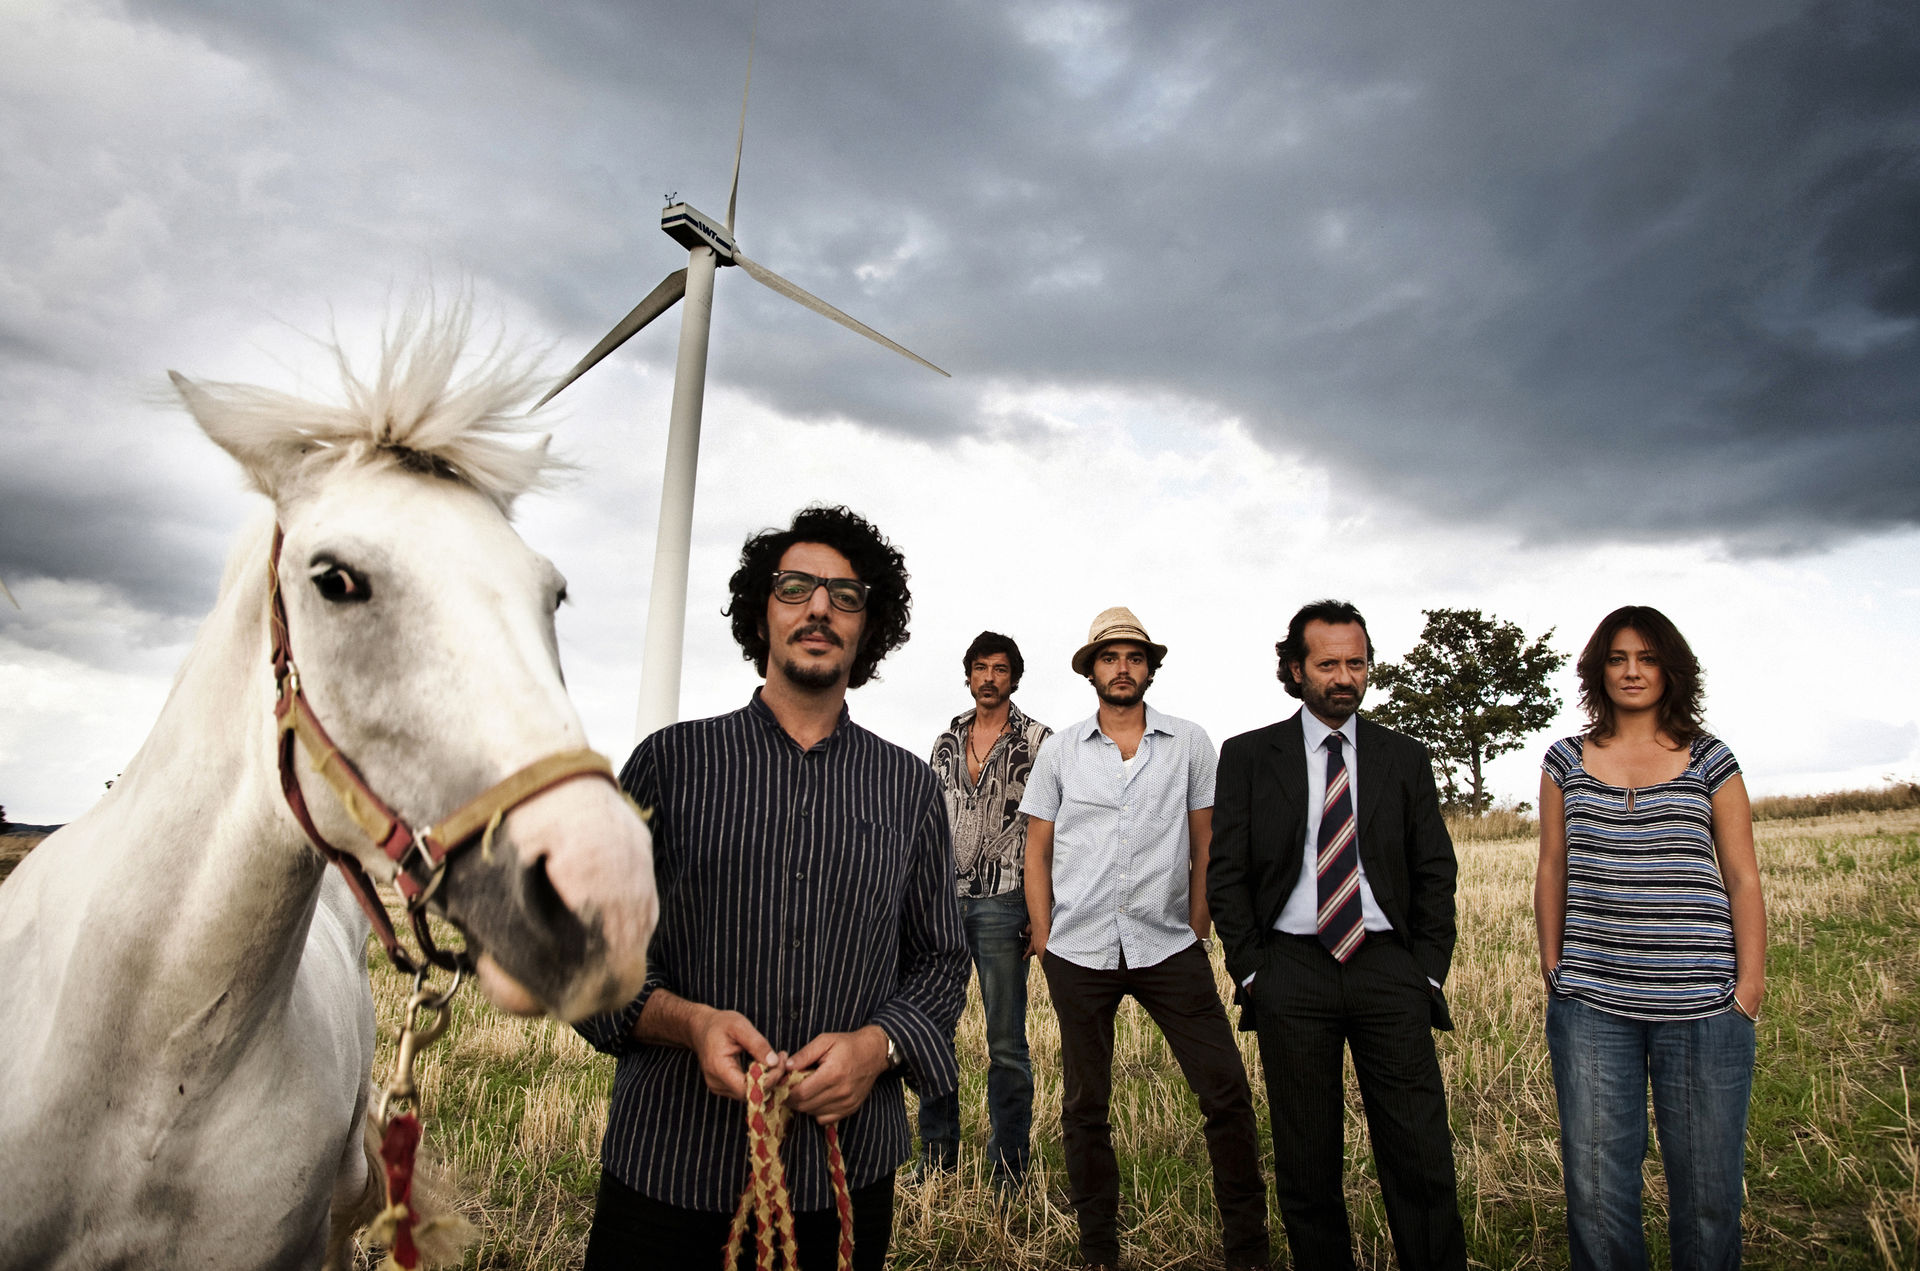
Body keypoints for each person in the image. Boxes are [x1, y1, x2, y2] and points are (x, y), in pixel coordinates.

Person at [575, 505, 969, 1271]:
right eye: (795, 587)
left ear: (868, 627)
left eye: (845, 596)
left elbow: (941, 961)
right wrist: (687, 1023)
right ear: (762, 614)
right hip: (667, 1169)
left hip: (844, 1175)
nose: (819, 607)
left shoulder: (911, 788)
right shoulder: (666, 763)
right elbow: (590, 956)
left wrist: (877, 1046)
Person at [1208, 599, 1468, 1271]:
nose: (1344, 677)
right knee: (1306, 1162)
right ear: (1296, 670)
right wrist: (1254, 971)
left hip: (1388, 969)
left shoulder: (1404, 757)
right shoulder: (1247, 756)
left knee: (1420, 1154)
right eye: (1328, 664)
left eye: (1356, 663)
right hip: (1291, 971)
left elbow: (1435, 870)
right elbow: (1226, 874)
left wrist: (1425, 971)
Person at [1023, 606, 1270, 1271]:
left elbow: (1206, 841)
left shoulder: (1189, 741)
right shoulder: (1061, 750)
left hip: (1168, 946)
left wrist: (1198, 925)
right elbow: (1037, 849)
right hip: (1079, 950)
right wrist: (1045, 939)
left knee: (1225, 1091)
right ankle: (1099, 1251)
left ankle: (1248, 1250)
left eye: (1134, 657)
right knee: (1085, 1106)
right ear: (1092, 670)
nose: (1122, 668)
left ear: (1149, 668)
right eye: (1110, 657)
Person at [1534, 605, 1765, 1271]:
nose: (1632, 671)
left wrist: (1747, 990)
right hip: (1592, 1007)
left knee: (1708, 1196)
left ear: (1671, 670)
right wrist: (1555, 969)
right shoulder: (1565, 760)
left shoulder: (1711, 758)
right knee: (1597, 1194)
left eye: (1647, 658)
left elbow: (1743, 876)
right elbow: (1552, 867)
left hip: (1705, 1008)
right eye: (1617, 658)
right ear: (1598, 670)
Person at [920, 631, 1053, 1184]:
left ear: (1014, 678)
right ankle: (937, 1159)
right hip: (944, 904)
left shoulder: (1040, 742)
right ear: (969, 675)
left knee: (1006, 1044)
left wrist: (1042, 914)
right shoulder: (945, 742)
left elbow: (1056, 829)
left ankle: (1009, 1168)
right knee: (933, 1032)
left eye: (1000, 669)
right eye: (980, 667)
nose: (989, 678)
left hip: (1006, 900)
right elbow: (928, 824)